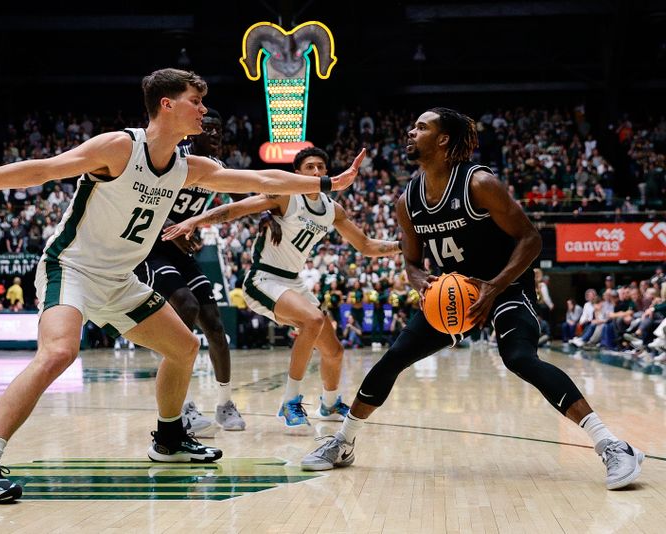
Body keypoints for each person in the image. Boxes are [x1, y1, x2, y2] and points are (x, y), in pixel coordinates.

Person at [0, 67, 364, 503]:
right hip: (73, 268)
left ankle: (168, 439)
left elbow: (261, 178)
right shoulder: (119, 148)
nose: (204, 109)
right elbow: (43, 169)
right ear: (166, 105)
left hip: (120, 279)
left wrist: (325, 181)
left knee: (184, 348)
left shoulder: (189, 166)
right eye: (196, 101)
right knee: (60, 352)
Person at [300, 108, 645, 491]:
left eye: (421, 127)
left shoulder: (478, 183)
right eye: (413, 126)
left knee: (519, 358)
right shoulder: (407, 201)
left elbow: (530, 239)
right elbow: (412, 262)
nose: (411, 133)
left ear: (443, 140)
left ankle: (613, 445)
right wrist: (418, 281)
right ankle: (343, 442)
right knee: (394, 357)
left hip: (506, 288)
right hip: (455, 297)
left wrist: (494, 287)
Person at [163, 146, 399, 433]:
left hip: (294, 282)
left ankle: (330, 402)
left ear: (326, 172)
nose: (315, 172)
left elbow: (366, 246)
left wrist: (404, 246)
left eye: (320, 167)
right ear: (297, 173)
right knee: (311, 320)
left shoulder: (332, 209)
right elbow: (236, 209)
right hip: (264, 279)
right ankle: (290, 403)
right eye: (309, 167)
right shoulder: (286, 197)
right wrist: (195, 220)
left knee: (334, 352)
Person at [133, 108, 245, 434]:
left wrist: (266, 214)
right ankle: (181, 406)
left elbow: (239, 198)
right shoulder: (173, 157)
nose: (215, 135)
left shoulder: (217, 168)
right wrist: (175, 228)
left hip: (180, 247)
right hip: (151, 247)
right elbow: (146, 200)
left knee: (214, 324)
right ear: (194, 133)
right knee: (187, 305)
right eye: (208, 129)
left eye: (219, 132)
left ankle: (225, 404)